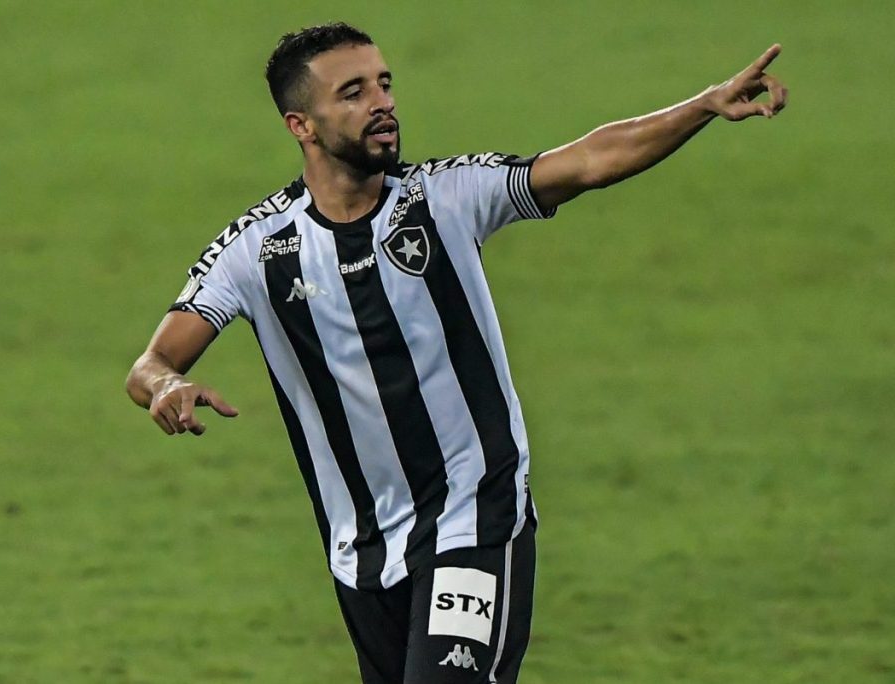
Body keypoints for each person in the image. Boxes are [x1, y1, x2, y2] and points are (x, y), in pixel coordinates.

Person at [125, 22, 787, 684]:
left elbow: (588, 161)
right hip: (363, 550)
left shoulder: (446, 197)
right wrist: (166, 387)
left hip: (475, 514)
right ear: (301, 125)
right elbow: (151, 363)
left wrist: (703, 105)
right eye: (353, 93)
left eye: (384, 84)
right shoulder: (257, 250)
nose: (382, 103)